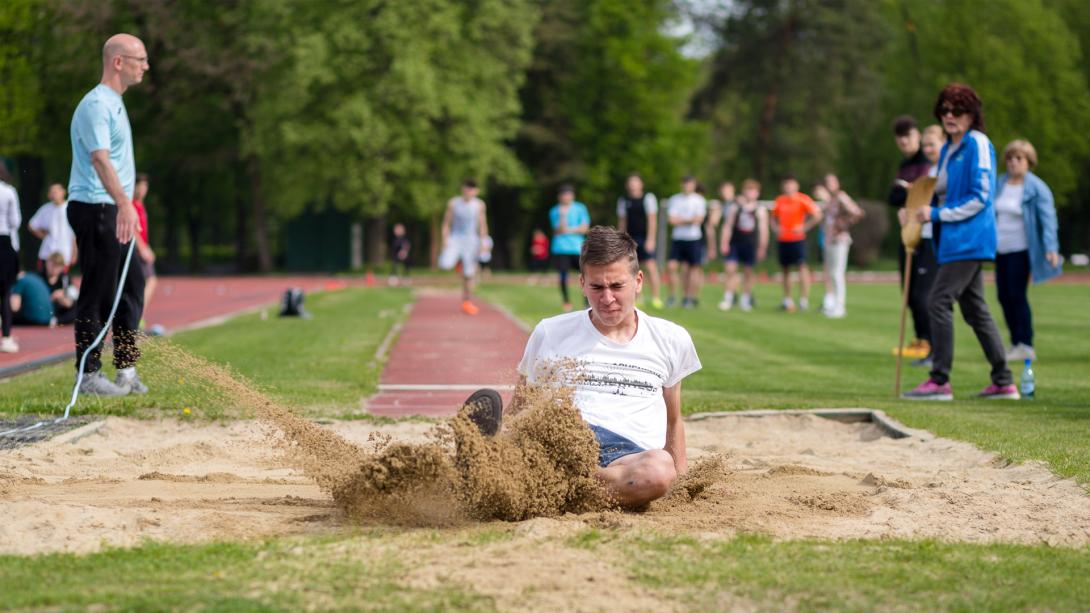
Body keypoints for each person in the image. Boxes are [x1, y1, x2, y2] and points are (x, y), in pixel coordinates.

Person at [464, 226, 701, 509]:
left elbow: (673, 420)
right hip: (562, 440)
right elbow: (523, 405)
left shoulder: (671, 338)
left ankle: (532, 487)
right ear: (582, 283)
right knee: (531, 449)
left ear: (638, 281)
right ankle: (492, 462)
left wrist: (681, 481)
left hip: (628, 455)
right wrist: (505, 439)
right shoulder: (551, 332)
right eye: (597, 287)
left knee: (660, 470)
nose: (607, 298)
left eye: (617, 286)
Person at [904, 83, 1016, 400]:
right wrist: (912, 210)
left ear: (971, 114)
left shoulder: (977, 143)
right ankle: (1003, 381)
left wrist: (936, 215)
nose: (950, 115)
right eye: (945, 110)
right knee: (975, 310)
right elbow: (936, 190)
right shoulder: (949, 150)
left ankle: (939, 380)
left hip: (970, 238)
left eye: (958, 110)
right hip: (953, 239)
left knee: (938, 301)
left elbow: (981, 197)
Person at [66, 33, 149, 396]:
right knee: (99, 290)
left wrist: (125, 206)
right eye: (140, 59)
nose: (146, 66)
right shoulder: (96, 105)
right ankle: (88, 374)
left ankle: (126, 370)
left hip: (114, 208)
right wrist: (124, 203)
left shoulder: (116, 102)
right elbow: (99, 159)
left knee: (132, 286)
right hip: (97, 207)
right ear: (119, 62)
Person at [994, 139, 1061, 362]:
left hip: (1021, 249)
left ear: (1029, 161)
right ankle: (1015, 343)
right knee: (1003, 296)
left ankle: (1026, 343)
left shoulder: (1036, 187)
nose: (1013, 162)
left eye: (1019, 158)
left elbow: (1048, 219)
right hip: (999, 249)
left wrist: (1051, 247)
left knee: (1016, 295)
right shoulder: (1000, 183)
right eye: (1010, 158)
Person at [889, 115, 935, 361]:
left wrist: (911, 191)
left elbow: (925, 195)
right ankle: (919, 339)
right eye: (900, 140)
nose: (904, 143)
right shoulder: (904, 165)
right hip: (907, 231)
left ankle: (929, 341)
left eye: (908, 138)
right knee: (908, 291)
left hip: (926, 235)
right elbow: (893, 197)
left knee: (922, 294)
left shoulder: (928, 163)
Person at [770, 175, 822, 312]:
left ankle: (803, 301)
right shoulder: (779, 201)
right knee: (785, 270)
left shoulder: (803, 199)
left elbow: (818, 215)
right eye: (786, 184)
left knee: (802, 268)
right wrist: (776, 229)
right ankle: (787, 300)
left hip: (798, 239)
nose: (788, 187)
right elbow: (773, 218)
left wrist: (804, 227)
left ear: (796, 186)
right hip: (783, 240)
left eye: (791, 184)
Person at [439, 179, 490, 315]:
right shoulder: (453, 203)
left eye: (472, 188)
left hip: (471, 240)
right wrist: (445, 239)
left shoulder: (479, 205)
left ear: (476, 191)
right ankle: (459, 263)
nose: (469, 191)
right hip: (455, 239)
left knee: (469, 274)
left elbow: (483, 224)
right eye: (467, 188)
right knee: (445, 264)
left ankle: (466, 302)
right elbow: (446, 223)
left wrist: (484, 242)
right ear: (463, 189)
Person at [718, 179, 768, 311]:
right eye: (748, 190)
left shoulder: (760, 209)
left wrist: (762, 247)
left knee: (748, 272)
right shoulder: (736, 207)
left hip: (750, 244)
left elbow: (763, 230)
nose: (750, 193)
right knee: (730, 270)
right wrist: (724, 242)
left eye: (753, 191)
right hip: (735, 243)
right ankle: (728, 298)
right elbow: (727, 226)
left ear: (757, 193)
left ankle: (745, 299)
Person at [819, 173, 865, 318]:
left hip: (840, 240)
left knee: (837, 273)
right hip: (829, 240)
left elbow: (858, 212)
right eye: (827, 182)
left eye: (832, 182)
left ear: (838, 183)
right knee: (831, 273)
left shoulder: (841, 196)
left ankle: (840, 307)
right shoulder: (830, 200)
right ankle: (833, 304)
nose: (829, 184)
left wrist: (844, 225)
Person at [616, 173, 663, 308]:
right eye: (630, 182)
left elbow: (652, 220)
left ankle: (656, 297)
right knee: (632, 268)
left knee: (650, 266)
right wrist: (621, 239)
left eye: (635, 182)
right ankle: (637, 298)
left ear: (641, 184)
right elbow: (622, 222)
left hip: (644, 238)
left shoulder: (648, 198)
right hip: (630, 239)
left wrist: (651, 239)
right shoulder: (623, 201)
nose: (633, 185)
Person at [666, 176, 707, 308]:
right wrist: (689, 220)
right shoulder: (674, 199)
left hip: (693, 238)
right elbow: (672, 220)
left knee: (693, 269)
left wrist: (681, 220)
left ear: (694, 185)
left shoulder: (699, 200)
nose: (686, 186)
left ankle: (688, 297)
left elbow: (699, 219)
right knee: (672, 267)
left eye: (689, 184)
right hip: (678, 238)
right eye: (684, 184)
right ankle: (672, 296)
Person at [549, 184, 590, 312]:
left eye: (568, 194)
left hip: (577, 248)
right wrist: (562, 216)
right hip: (561, 248)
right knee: (562, 275)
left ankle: (587, 302)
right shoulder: (555, 211)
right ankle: (566, 302)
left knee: (586, 274)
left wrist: (568, 230)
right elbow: (558, 229)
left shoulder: (580, 208)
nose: (566, 197)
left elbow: (584, 228)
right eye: (563, 194)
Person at [28, 183, 77, 271]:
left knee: (61, 279)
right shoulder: (45, 209)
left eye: (56, 192)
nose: (54, 194)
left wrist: (74, 252)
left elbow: (74, 234)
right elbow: (32, 225)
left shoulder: (71, 209)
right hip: (47, 252)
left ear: (63, 192)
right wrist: (41, 235)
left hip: (64, 253)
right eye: (52, 192)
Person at [0, 162, 20, 353]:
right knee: (5, 292)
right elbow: (15, 221)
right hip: (3, 241)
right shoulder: (8, 192)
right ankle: (6, 337)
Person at [131, 173, 157, 320]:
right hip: (136, 250)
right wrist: (142, 248)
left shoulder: (141, 205)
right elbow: (133, 229)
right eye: (139, 186)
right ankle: (138, 314)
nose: (142, 190)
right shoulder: (131, 204)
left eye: (144, 186)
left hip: (142, 247)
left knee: (146, 282)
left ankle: (138, 314)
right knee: (149, 281)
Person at [43, 252, 78, 325]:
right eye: (52, 265)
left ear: (62, 267)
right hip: (44, 307)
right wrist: (52, 297)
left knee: (77, 308)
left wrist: (63, 299)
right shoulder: (39, 277)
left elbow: (72, 300)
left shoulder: (65, 279)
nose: (54, 269)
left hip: (58, 310)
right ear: (47, 264)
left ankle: (56, 321)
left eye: (57, 266)